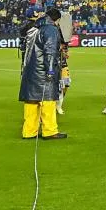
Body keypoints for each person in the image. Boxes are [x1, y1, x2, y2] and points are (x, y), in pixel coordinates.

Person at [20, 7, 66, 140]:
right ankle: (50, 131)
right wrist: (50, 70)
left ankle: (29, 132)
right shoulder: (50, 29)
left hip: (29, 71)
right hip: (43, 72)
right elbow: (50, 51)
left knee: (31, 102)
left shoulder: (33, 27)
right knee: (48, 101)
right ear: (56, 19)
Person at [56, 32, 70, 115]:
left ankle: (59, 103)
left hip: (63, 66)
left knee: (66, 85)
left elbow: (67, 55)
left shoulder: (65, 44)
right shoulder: (51, 42)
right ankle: (58, 106)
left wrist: (65, 53)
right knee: (58, 87)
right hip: (55, 67)